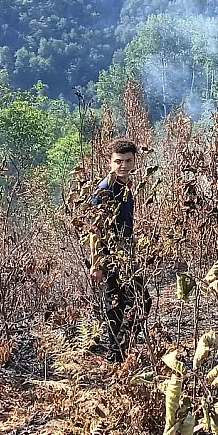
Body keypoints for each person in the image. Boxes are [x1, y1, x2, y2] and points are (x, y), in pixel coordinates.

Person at [90, 138, 141, 360]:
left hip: (126, 252)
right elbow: (94, 230)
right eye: (119, 161)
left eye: (128, 161)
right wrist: (97, 263)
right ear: (110, 162)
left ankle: (119, 350)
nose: (124, 166)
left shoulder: (127, 185)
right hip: (110, 255)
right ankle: (116, 352)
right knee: (124, 302)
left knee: (128, 302)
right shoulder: (105, 189)